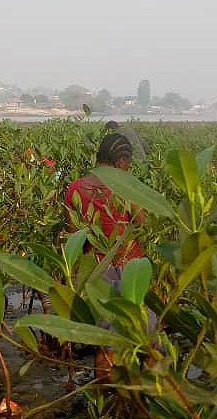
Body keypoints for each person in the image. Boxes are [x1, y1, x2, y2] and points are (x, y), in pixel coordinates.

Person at [64, 133, 150, 378]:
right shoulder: (125, 187)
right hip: (130, 268)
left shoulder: (75, 187)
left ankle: (102, 394)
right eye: (128, 164)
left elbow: (73, 234)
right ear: (121, 161)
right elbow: (142, 221)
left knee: (104, 343)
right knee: (147, 339)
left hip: (95, 272)